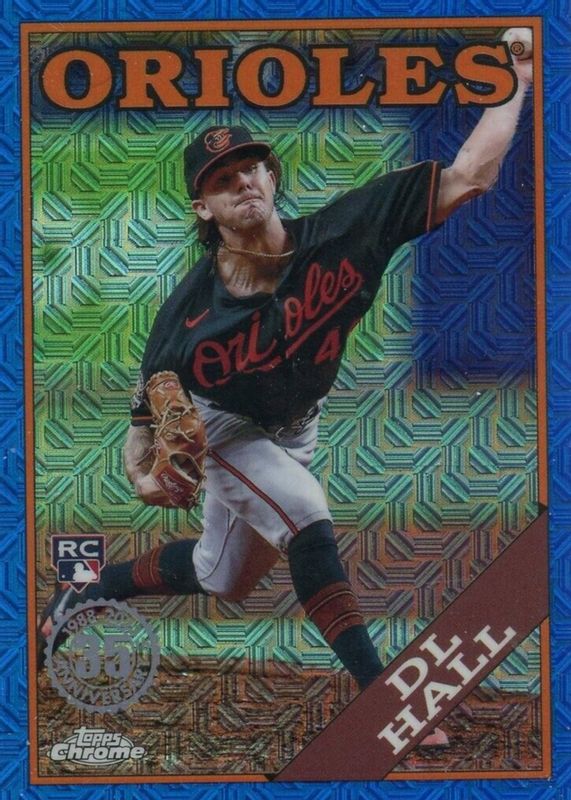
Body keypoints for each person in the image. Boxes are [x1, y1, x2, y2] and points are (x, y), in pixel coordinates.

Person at [39, 40, 532, 707]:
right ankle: (381, 699)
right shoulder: (189, 312)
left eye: (251, 167)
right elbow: (146, 409)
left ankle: (90, 588)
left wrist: (518, 80)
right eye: (221, 179)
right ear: (202, 209)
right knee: (303, 512)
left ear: (271, 179)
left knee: (222, 575)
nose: (242, 181)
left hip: (297, 424)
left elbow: (469, 175)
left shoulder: (345, 231)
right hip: (225, 426)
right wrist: (143, 470)